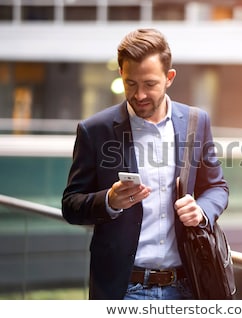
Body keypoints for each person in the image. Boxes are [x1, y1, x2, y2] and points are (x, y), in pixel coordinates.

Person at [61, 28, 229, 300]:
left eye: (150, 84)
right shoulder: (95, 130)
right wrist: (109, 200)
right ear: (121, 75)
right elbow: (70, 205)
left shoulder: (196, 123)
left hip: (187, 286)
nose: (139, 95)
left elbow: (217, 187)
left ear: (169, 78)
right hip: (124, 289)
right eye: (131, 83)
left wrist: (201, 210)